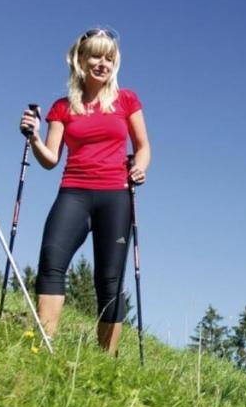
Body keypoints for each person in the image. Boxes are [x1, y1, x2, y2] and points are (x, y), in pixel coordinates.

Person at [22, 28, 150, 352]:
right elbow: (51, 159)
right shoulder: (62, 108)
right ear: (80, 59)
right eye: (95, 55)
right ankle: (43, 345)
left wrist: (140, 167)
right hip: (74, 191)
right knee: (52, 260)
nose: (102, 63)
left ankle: (105, 360)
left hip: (115, 195)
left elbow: (144, 146)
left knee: (109, 280)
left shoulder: (127, 100)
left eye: (109, 57)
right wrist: (34, 138)